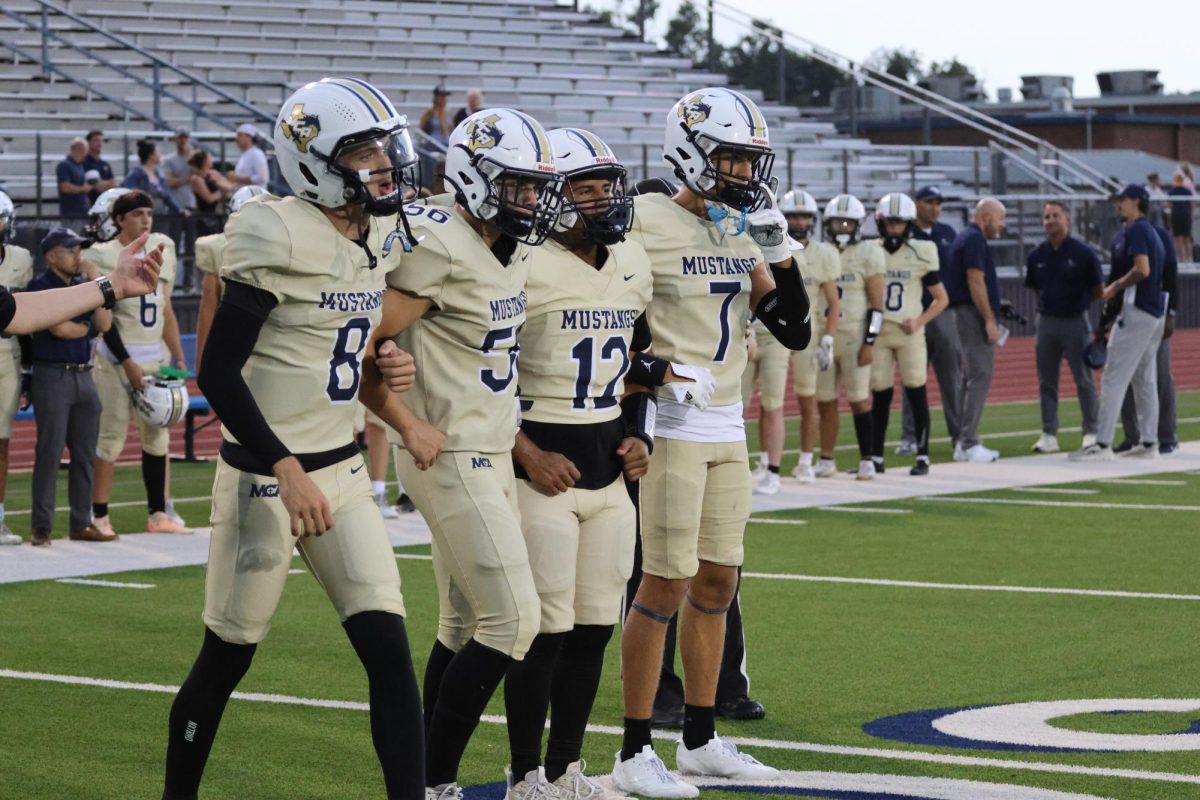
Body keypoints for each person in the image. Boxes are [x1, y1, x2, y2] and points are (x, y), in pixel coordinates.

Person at [162, 77, 425, 800]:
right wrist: (285, 466)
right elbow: (218, 369)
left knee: (389, 653)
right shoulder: (275, 230)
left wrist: (382, 358)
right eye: (365, 154)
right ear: (314, 162)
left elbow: (340, 337)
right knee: (227, 658)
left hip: (340, 471)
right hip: (265, 478)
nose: (384, 166)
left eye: (385, 149)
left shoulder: (377, 230)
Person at [614, 87, 810, 798]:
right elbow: (608, 324)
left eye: (748, 160)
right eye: (730, 158)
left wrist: (779, 250)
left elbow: (792, 327)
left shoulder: (735, 226)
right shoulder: (642, 218)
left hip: (727, 422)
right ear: (690, 150)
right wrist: (653, 374)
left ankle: (699, 737)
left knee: (719, 581)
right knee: (661, 583)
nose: (741, 173)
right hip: (671, 425)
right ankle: (635, 749)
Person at [364, 107, 564, 800]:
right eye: (520, 187)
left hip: (489, 444)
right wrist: (400, 419)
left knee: (463, 621)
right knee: (514, 619)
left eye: (538, 188)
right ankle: (432, 783)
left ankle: (426, 777)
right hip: (449, 451)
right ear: (476, 179)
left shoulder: (506, 245)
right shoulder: (440, 244)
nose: (534, 202)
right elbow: (357, 343)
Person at [502, 126, 655, 799]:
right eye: (585, 187)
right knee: (545, 630)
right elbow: (480, 372)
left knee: (595, 626)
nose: (602, 199)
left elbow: (641, 364)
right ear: (554, 198)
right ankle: (524, 773)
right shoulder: (521, 264)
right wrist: (526, 451)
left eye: (606, 185)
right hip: (543, 463)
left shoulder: (630, 262)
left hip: (607, 467)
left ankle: (566, 768)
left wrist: (641, 433)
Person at [86, 190, 189, 537]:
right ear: (119, 219)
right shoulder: (103, 255)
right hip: (116, 361)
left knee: (157, 439)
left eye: (149, 213)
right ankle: (98, 514)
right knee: (110, 439)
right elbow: (105, 318)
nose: (146, 219)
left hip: (155, 361)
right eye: (138, 214)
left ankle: (158, 513)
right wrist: (127, 361)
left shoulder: (162, 248)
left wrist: (178, 354)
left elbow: (166, 309)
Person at [27, 228, 113, 546]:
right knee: (49, 453)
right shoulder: (40, 287)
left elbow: (105, 324)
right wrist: (88, 329)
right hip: (52, 375)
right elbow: (61, 330)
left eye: (79, 250)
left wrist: (99, 281)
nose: (78, 256)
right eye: (71, 250)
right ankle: (42, 527)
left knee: (85, 454)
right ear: (51, 255)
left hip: (83, 375)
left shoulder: (83, 288)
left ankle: (81, 522)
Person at [1071, 184, 1166, 462]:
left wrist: (1113, 288)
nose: (1117, 205)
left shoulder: (1137, 230)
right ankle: (1149, 442)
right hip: (1153, 311)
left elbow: (1142, 269)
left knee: (1114, 377)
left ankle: (1102, 444)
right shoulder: (1151, 231)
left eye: (1122, 200)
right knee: (1144, 379)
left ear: (1136, 202)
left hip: (1137, 309)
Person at [868, 193, 947, 476]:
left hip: (909, 332)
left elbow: (941, 298)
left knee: (916, 391)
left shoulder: (920, 251)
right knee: (880, 394)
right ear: (880, 223)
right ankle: (876, 456)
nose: (893, 228)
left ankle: (923, 455)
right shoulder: (870, 250)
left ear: (909, 224)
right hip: (879, 332)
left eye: (899, 223)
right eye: (889, 223)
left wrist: (919, 321)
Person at [814, 194, 885, 480]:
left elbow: (876, 307)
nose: (842, 227)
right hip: (824, 335)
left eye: (847, 222)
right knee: (825, 399)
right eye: (837, 222)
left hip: (855, 334)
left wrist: (870, 342)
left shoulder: (869, 252)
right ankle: (827, 458)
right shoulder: (819, 251)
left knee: (858, 399)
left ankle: (867, 458)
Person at [1023, 201, 1103, 454]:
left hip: (1075, 321)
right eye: (1046, 216)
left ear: (1067, 219)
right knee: (1046, 380)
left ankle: (1091, 431)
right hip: (1046, 322)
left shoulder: (1083, 253)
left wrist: (1077, 305)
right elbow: (1036, 287)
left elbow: (1098, 289)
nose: (1050, 220)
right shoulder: (1036, 256)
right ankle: (1049, 434)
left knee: (1083, 379)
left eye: (1055, 215)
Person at [776, 190, 840, 484]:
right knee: (768, 402)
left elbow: (833, 302)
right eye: (793, 216)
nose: (799, 222)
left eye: (803, 216)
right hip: (771, 330)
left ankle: (805, 460)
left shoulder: (824, 253)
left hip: (807, 332)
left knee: (806, 399)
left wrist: (828, 338)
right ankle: (766, 462)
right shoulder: (771, 247)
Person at [943, 198, 1006, 463]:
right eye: (1000, 219)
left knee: (970, 378)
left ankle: (963, 441)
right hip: (971, 313)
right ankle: (969, 442)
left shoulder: (965, 238)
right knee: (980, 375)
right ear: (987, 217)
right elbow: (975, 280)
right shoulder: (974, 240)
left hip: (964, 312)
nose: (1002, 225)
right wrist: (989, 320)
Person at [897, 184, 958, 453]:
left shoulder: (948, 233)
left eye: (938, 203)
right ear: (916, 203)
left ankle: (960, 437)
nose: (934, 208)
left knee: (951, 379)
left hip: (943, 314)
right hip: (912, 314)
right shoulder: (905, 233)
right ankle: (910, 437)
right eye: (929, 202)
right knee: (913, 380)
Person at [1116, 217, 1179, 455]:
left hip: (1154, 313)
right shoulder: (1120, 238)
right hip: (1127, 313)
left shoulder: (1159, 235)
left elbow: (1171, 275)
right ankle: (1133, 435)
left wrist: (1171, 312)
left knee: (1159, 375)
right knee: (1124, 376)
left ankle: (1166, 436)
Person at [193, 185, 265, 369]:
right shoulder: (218, 248)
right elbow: (208, 309)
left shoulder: (284, 249)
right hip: (232, 345)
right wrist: (202, 360)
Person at [0, 191, 33, 545]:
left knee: (2, 441)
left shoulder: (20, 259)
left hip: (7, 354)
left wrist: (29, 370)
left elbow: (26, 317)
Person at [123, 140, 186, 216]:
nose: (160, 155)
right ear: (151, 155)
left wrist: (179, 209)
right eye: (158, 152)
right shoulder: (136, 173)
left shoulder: (160, 174)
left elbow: (167, 196)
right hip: (142, 217)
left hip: (161, 216)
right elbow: (127, 191)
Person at [188, 150, 235, 237]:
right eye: (209, 158)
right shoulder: (196, 179)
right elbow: (209, 198)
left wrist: (218, 183)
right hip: (204, 217)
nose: (212, 160)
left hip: (217, 215)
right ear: (205, 161)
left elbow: (230, 187)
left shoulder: (213, 173)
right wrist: (222, 191)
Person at [163, 129, 197, 215]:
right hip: (175, 204)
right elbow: (169, 182)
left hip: (192, 203)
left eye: (185, 138)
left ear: (189, 139)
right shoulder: (168, 159)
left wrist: (190, 157)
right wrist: (189, 178)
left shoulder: (196, 157)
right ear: (175, 139)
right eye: (180, 138)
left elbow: (200, 176)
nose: (183, 141)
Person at [56, 138, 91, 218]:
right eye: (85, 150)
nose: (86, 154)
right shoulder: (64, 165)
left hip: (82, 211)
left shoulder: (80, 166)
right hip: (71, 213)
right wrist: (83, 188)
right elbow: (65, 187)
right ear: (79, 149)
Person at [228, 123, 269, 189]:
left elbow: (262, 178)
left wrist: (237, 178)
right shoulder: (245, 155)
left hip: (254, 197)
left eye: (240, 135)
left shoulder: (257, 154)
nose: (237, 139)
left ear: (249, 137)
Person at [83, 129, 119, 205]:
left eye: (101, 141)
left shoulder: (104, 164)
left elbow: (113, 184)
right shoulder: (83, 163)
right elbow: (90, 185)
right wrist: (103, 184)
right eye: (96, 140)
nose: (99, 143)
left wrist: (98, 184)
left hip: (104, 205)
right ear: (88, 142)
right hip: (89, 205)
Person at [1167, 171, 1194, 262]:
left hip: (1177, 216)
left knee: (1179, 238)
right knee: (1186, 238)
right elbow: (1191, 205)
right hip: (1186, 216)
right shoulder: (1187, 191)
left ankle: (1182, 259)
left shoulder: (1171, 191)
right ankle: (1188, 259)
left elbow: (1169, 205)